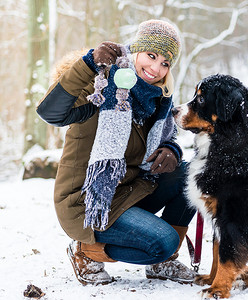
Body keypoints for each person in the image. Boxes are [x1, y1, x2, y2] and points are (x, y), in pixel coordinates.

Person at [36, 19, 197, 285]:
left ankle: (162, 263)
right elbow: (50, 113)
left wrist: (171, 148)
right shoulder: (101, 86)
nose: (156, 68)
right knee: (163, 242)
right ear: (136, 50)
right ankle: (86, 251)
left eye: (165, 63)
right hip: (87, 201)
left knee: (190, 174)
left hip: (129, 190)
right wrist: (88, 63)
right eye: (151, 55)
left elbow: (168, 136)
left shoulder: (156, 98)